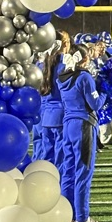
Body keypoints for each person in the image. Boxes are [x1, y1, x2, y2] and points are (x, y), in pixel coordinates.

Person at [58, 42, 105, 222]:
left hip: (67, 125)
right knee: (83, 172)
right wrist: (104, 95)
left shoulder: (61, 77)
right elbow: (94, 104)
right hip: (84, 125)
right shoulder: (84, 77)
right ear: (85, 59)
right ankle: (82, 219)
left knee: (68, 171)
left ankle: (67, 217)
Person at [38, 38, 66, 172]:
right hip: (61, 115)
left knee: (47, 155)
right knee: (60, 157)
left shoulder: (41, 66)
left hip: (46, 115)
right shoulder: (64, 66)